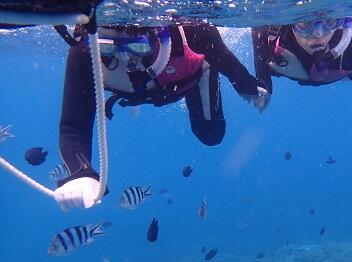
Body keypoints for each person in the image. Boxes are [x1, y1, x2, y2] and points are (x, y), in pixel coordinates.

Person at [54, 24, 261, 211]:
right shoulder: (85, 48)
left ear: (156, 36)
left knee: (211, 135)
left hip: (189, 76)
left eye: (137, 48)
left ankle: (201, 67)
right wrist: (82, 172)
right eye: (108, 48)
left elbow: (229, 64)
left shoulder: (194, 31)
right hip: (151, 91)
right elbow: (73, 124)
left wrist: (249, 87)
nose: (127, 62)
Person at [250, 12, 352, 111]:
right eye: (305, 23)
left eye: (330, 20)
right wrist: (264, 81)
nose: (318, 34)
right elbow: (257, 28)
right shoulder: (273, 33)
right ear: (290, 22)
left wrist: (304, 75)